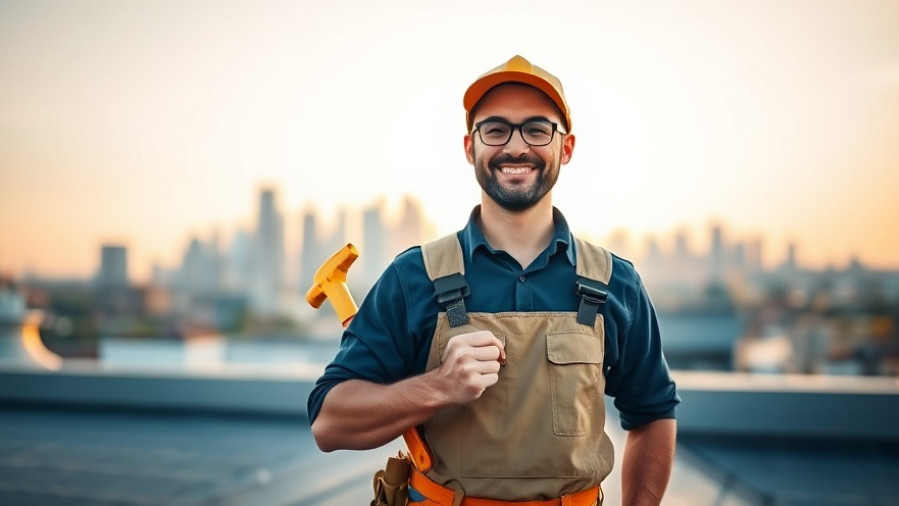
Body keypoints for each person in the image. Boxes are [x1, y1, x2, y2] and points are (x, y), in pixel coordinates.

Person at [307, 55, 679, 506]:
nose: (516, 147)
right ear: (470, 148)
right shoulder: (413, 277)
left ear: (566, 148)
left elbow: (652, 414)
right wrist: (440, 386)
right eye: (495, 129)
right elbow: (329, 424)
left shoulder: (615, 282)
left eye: (537, 129)